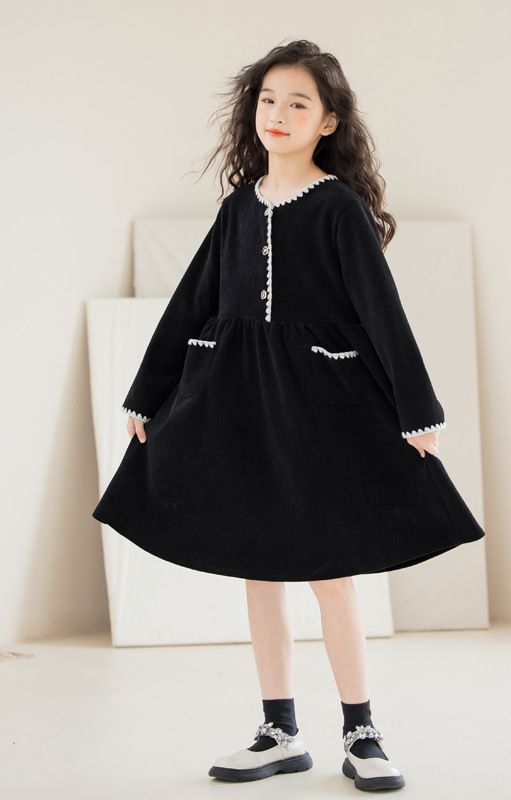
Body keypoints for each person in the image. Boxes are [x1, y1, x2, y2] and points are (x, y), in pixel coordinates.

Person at [92, 39, 485, 791]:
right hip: (240, 403)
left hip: (322, 408)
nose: (277, 113)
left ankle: (361, 731)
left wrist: (417, 408)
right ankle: (279, 730)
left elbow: (382, 311)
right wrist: (148, 391)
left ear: (328, 121)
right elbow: (193, 301)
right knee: (259, 569)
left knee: (330, 573)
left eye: (298, 103)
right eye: (267, 99)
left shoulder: (338, 209)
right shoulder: (239, 208)